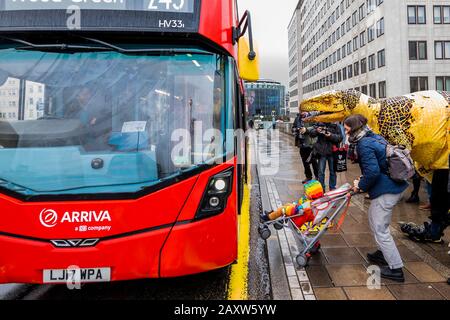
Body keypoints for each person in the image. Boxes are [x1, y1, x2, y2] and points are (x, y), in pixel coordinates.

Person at [344, 114, 409, 282]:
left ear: (355, 129)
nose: (345, 133)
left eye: (347, 130)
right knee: (375, 221)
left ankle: (396, 269)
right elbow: (377, 167)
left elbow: (372, 172)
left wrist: (360, 186)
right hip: (393, 185)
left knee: (381, 229)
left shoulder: (364, 144)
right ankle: (383, 254)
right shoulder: (373, 136)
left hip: (387, 189)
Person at [300, 122, 342, 191]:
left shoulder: (336, 126)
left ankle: (332, 188)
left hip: (332, 152)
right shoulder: (319, 124)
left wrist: (330, 135)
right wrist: (317, 131)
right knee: (321, 172)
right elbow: (311, 134)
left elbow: (340, 138)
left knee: (333, 171)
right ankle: (321, 189)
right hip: (321, 153)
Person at [292, 113, 318, 183]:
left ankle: (317, 176)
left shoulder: (312, 116)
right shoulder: (297, 118)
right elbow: (293, 127)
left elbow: (316, 127)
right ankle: (308, 177)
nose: (302, 112)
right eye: (301, 110)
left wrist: (306, 129)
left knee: (314, 161)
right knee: (305, 162)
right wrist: (296, 130)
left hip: (310, 143)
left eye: (303, 110)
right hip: (301, 144)